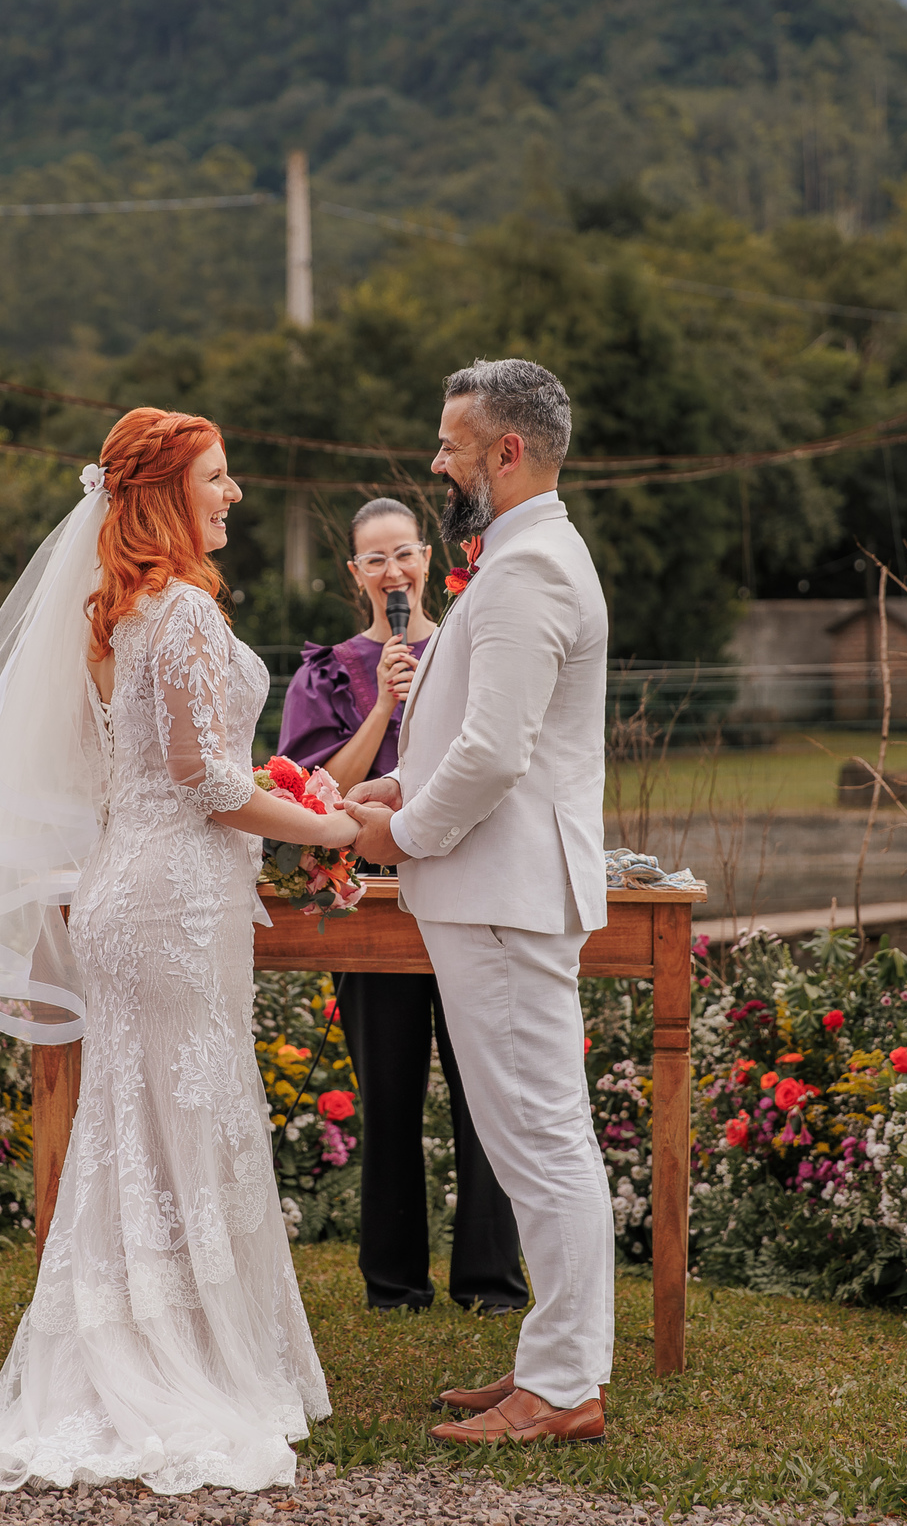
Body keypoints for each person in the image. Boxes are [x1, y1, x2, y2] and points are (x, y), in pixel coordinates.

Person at [0, 408, 358, 1496]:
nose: (232, 495)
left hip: (134, 889)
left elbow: (163, 768)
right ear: (165, 491)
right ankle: (180, 1362)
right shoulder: (177, 609)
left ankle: (142, 1339)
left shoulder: (115, 612)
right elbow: (204, 782)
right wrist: (326, 826)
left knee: (137, 1126)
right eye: (217, 477)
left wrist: (284, 792)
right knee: (183, 1116)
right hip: (169, 899)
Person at [344, 358, 614, 1447]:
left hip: (504, 895)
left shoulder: (529, 568)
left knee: (540, 1139)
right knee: (528, 1136)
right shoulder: (518, 557)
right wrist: (400, 786)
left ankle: (565, 1387)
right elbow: (484, 735)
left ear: (507, 451)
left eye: (451, 446)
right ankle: (552, 1364)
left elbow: (499, 754)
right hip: (497, 890)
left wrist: (401, 835)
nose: (436, 462)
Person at [278, 497, 528, 1316]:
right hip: (369, 902)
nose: (393, 571)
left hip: (469, 891)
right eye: (375, 559)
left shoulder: (472, 648)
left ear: (428, 560)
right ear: (356, 573)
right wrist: (385, 707)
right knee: (387, 1092)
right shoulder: (326, 675)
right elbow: (311, 796)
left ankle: (490, 1281)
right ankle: (394, 1284)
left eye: (405, 554)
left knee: (484, 1086)